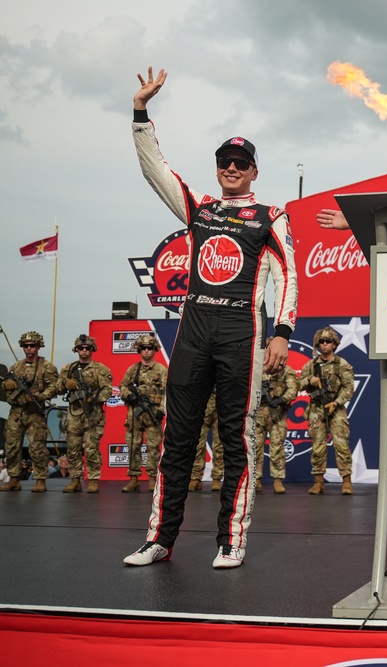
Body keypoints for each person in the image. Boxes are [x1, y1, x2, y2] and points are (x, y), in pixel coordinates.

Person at [123, 67, 298, 569]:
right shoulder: (198, 208)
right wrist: (140, 113)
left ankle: (231, 539)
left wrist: (283, 332)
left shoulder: (271, 215)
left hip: (242, 332)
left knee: (236, 439)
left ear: (254, 171)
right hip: (194, 330)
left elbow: (288, 275)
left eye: (241, 162)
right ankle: (159, 538)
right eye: (225, 161)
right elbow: (156, 169)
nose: (231, 168)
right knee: (176, 437)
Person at [299, 327, 355, 495]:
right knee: (317, 446)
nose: (324, 345)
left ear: (334, 344)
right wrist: (310, 379)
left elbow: (349, 387)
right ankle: (318, 481)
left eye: (328, 342)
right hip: (316, 408)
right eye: (321, 342)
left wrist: (336, 403)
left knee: (341, 445)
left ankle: (346, 480)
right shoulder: (311, 365)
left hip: (336, 409)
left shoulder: (341, 364)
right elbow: (298, 384)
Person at [1, 332, 59, 493]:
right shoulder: (16, 366)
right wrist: (9, 384)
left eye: (32, 345)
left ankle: (40, 480)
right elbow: (5, 383)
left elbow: (55, 386)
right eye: (26, 346)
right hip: (16, 411)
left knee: (37, 447)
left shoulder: (47, 367)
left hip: (34, 412)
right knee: (11, 446)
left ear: (38, 346)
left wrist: (41, 396)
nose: (29, 349)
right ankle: (14, 479)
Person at [57, 334, 114, 493]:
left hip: (93, 414)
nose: (84, 351)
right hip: (74, 413)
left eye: (87, 348)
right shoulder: (68, 368)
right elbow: (58, 387)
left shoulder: (100, 369)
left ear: (92, 350)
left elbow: (108, 389)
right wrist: (65, 383)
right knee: (73, 448)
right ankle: (75, 480)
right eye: (81, 348)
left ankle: (93, 480)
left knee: (91, 448)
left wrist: (94, 399)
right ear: (76, 350)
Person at [119, 334, 168, 493]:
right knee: (133, 445)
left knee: (153, 447)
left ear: (154, 350)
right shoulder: (133, 369)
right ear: (139, 350)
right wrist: (129, 395)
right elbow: (122, 387)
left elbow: (168, 392)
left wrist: (161, 409)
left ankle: (153, 478)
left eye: (150, 348)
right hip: (135, 414)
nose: (147, 351)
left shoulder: (161, 370)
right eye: (144, 348)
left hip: (153, 413)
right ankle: (133, 478)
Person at [255, 337, 300, 494]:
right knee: (255, 448)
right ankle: (256, 479)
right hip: (259, 415)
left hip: (278, 415)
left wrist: (281, 399)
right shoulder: (256, 368)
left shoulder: (286, 371)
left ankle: (278, 480)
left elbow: (293, 389)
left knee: (277, 448)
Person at [188, 392, 224, 492]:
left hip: (220, 406)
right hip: (203, 406)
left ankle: (217, 478)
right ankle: (195, 477)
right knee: (198, 444)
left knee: (219, 445)